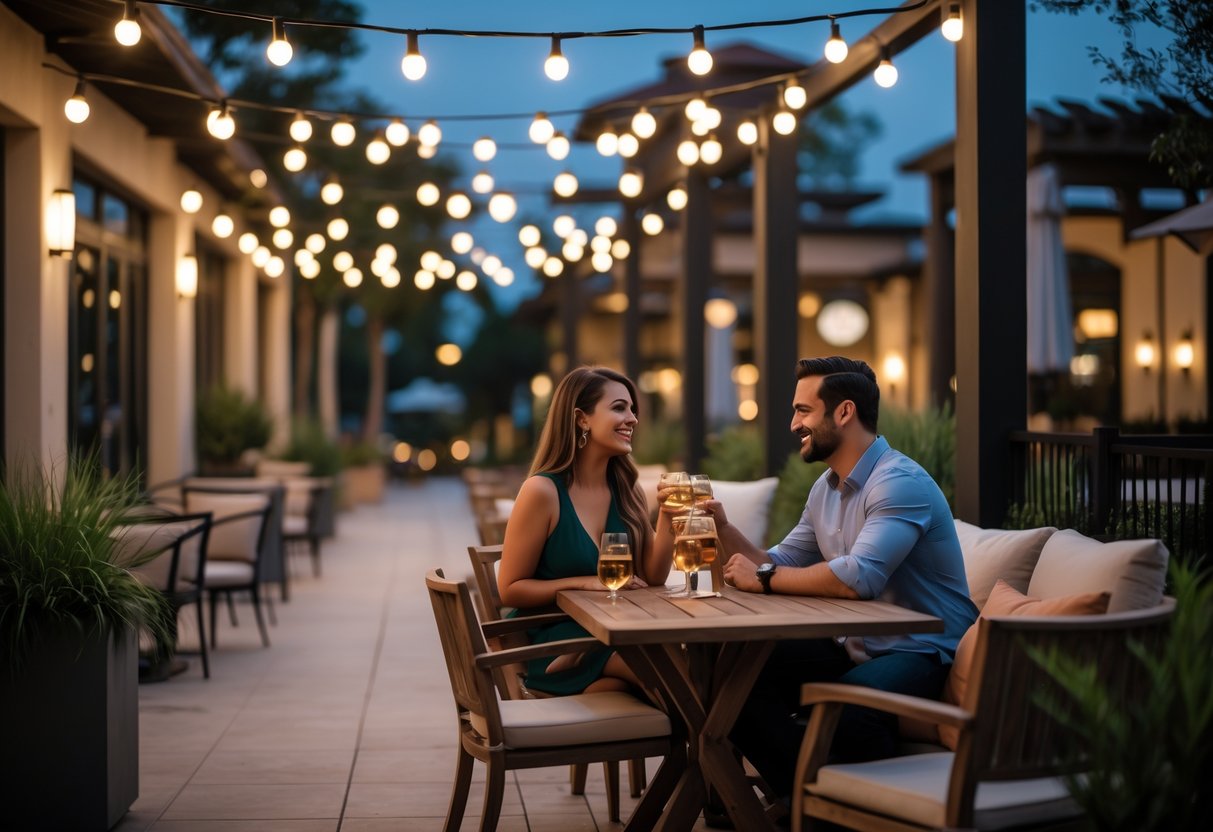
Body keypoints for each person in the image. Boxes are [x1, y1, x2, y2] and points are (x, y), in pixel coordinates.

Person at [709, 356, 977, 799]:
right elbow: (777, 561)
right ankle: (794, 798)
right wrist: (721, 526)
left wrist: (766, 578)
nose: (793, 423)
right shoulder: (827, 487)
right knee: (731, 675)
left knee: (848, 712)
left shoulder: (899, 482)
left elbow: (858, 578)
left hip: (924, 649)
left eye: (802, 410)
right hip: (853, 645)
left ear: (844, 412)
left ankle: (827, 804)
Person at [498, 366, 671, 694]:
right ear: (582, 419)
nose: (633, 418)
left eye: (633, 409)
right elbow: (510, 589)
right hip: (558, 640)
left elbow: (654, 576)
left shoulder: (626, 489)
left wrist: (668, 515)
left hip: (617, 635)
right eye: (620, 407)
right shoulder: (543, 491)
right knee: (667, 675)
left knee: (665, 685)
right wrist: (585, 583)